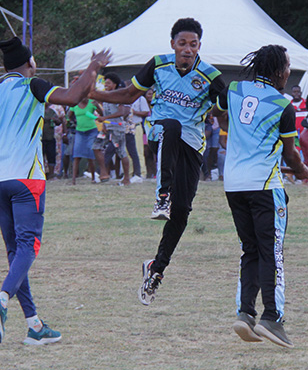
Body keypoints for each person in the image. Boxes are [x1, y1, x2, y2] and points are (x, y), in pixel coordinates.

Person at [0, 36, 111, 345]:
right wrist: (95, 66)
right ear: (31, 64)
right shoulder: (32, 86)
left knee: (15, 252)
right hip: (27, 179)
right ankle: (2, 299)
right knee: (29, 247)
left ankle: (34, 326)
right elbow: (73, 98)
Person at [87, 18, 226, 306]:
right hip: (162, 133)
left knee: (183, 211)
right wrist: (92, 93)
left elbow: (225, 108)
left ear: (200, 46)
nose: (188, 49)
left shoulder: (210, 75)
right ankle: (162, 195)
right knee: (171, 126)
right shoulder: (159, 64)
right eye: (182, 44)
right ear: (172, 44)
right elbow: (128, 95)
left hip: (192, 145)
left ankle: (156, 268)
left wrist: (227, 113)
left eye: (194, 44)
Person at [215, 45, 308, 348]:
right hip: (266, 186)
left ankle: (245, 313)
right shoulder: (283, 105)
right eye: (287, 67)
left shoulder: (233, 90)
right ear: (279, 70)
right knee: (272, 252)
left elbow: (221, 116)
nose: (288, 73)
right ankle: (273, 317)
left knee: (250, 250)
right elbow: (292, 156)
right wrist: (303, 170)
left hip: (234, 184)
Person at [93, 73, 130, 184]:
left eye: (108, 83)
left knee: (121, 152)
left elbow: (122, 112)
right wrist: (97, 107)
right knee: (96, 147)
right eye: (105, 83)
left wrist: (105, 118)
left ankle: (127, 178)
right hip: (107, 128)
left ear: (115, 84)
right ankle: (103, 173)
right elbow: (104, 113)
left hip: (117, 128)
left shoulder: (119, 96)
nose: (106, 85)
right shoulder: (105, 96)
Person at [68, 96, 102, 184]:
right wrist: (74, 122)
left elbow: (102, 114)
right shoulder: (75, 104)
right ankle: (73, 180)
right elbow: (69, 115)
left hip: (91, 130)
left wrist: (97, 106)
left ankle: (93, 178)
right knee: (76, 154)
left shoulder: (92, 103)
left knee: (90, 154)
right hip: (80, 131)